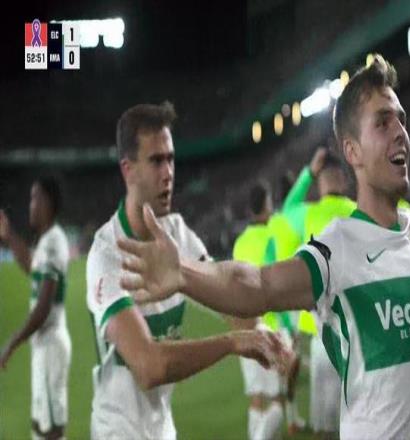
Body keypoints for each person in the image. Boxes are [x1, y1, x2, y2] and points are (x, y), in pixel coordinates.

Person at [117, 56, 410, 439]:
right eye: (383, 122)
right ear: (352, 152)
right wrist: (184, 272)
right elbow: (259, 284)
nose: (401, 131)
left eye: (401, 119)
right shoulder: (339, 246)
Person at [86, 102, 287, 440]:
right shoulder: (107, 254)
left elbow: (229, 303)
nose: (168, 172)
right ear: (128, 170)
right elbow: (149, 367)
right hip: (117, 430)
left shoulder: (178, 234)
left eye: (171, 159)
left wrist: (270, 337)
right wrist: (232, 343)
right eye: (156, 161)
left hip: (162, 428)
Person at [285, 148, 356, 439]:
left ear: (321, 182)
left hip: (323, 334)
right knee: (361, 420)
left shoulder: (308, 214)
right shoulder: (358, 211)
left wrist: (308, 173)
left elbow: (287, 208)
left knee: (324, 426)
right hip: (359, 334)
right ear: (344, 180)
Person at [0, 177, 71, 440]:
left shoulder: (53, 241)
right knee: (41, 427)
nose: (30, 205)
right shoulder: (45, 241)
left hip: (51, 345)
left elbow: (43, 309)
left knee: (51, 430)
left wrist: (11, 342)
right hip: (44, 346)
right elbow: (31, 266)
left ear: (48, 203)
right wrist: (9, 237)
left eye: (35, 198)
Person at [232, 180, 288, 440]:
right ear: (266, 205)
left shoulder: (240, 243)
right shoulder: (272, 238)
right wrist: (289, 328)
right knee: (278, 398)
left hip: (245, 328)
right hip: (270, 329)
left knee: (256, 398)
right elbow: (277, 288)